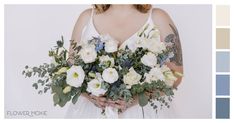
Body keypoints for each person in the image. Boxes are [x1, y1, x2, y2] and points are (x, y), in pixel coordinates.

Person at [66, 4, 183, 118]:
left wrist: (138, 99)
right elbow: (69, 72)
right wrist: (90, 95)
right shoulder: (86, 17)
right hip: (92, 113)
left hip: (144, 112)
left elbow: (176, 74)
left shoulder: (158, 17)